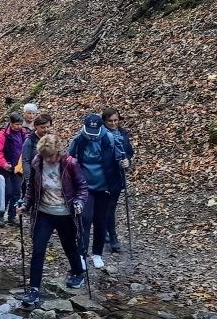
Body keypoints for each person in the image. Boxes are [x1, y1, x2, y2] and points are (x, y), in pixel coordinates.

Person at [20, 134, 89, 307]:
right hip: (44, 213)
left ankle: (78, 272)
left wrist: (79, 202)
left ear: (58, 151)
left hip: (65, 213)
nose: (48, 159)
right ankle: (34, 289)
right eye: (45, 156)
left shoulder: (70, 163)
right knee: (38, 250)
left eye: (50, 156)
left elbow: (82, 187)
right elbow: (31, 188)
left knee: (69, 246)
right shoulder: (38, 162)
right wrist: (25, 205)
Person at [69, 113, 128, 269]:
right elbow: (69, 158)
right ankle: (82, 254)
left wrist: (124, 163)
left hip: (104, 187)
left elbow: (120, 157)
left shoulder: (109, 138)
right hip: (84, 187)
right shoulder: (79, 139)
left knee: (101, 221)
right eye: (89, 132)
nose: (92, 135)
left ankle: (97, 254)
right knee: (85, 220)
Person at [102, 108, 135, 253]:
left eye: (116, 120)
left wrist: (127, 161)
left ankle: (108, 233)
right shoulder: (100, 135)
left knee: (111, 206)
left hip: (117, 174)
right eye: (110, 121)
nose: (114, 123)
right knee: (105, 206)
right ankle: (110, 235)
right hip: (102, 175)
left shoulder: (123, 133)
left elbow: (128, 151)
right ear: (104, 121)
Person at [0, 113, 26, 228]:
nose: (19, 126)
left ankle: (12, 216)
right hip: (4, 167)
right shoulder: (3, 134)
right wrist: (4, 164)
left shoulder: (22, 133)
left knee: (16, 192)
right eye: (16, 124)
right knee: (6, 192)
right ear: (11, 123)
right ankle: (0, 215)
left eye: (20, 124)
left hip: (17, 168)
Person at [21, 112, 54, 195]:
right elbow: (26, 161)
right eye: (43, 127)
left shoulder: (51, 139)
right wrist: (29, 181)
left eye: (48, 127)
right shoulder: (29, 141)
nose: (46, 130)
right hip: (34, 179)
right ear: (36, 126)